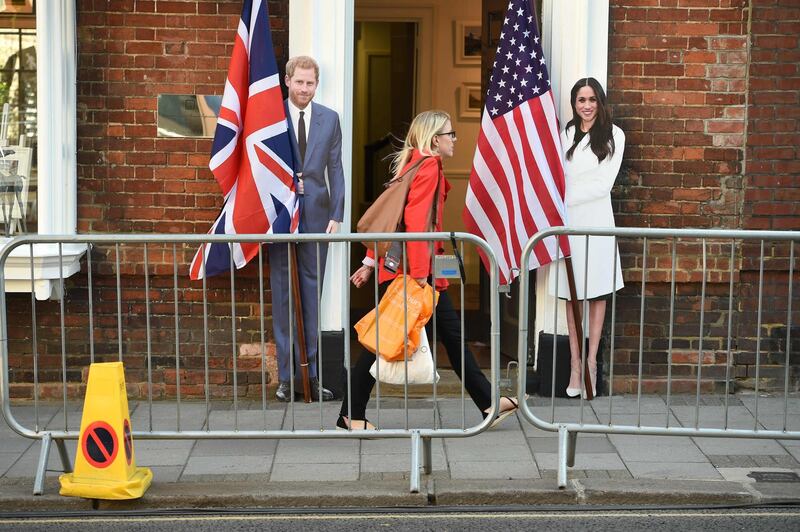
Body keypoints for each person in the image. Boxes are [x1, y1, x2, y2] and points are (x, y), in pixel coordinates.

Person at [341, 110, 518, 430]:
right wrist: (422, 277)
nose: (454, 139)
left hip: (414, 272)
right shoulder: (429, 166)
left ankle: (489, 402)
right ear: (436, 139)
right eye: (451, 134)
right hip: (416, 275)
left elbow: (392, 218)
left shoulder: (412, 164)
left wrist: (371, 263)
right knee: (381, 341)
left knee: (446, 337)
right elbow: (416, 225)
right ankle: (351, 415)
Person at [269, 56, 345, 402]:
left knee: (312, 296)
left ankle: (310, 377)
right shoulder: (270, 116)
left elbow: (336, 168)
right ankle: (286, 378)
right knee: (283, 294)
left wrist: (337, 212)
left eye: (310, 83)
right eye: (298, 82)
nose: (304, 89)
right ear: (287, 81)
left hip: (317, 214)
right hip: (282, 215)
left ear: (317, 84)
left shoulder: (330, 119)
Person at [555, 77, 625, 399]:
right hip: (570, 224)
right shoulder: (566, 134)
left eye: (592, 99)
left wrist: (564, 196)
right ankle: (574, 364)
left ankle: (592, 363)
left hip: (598, 221)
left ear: (600, 102)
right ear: (574, 103)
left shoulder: (614, 135)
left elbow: (603, 185)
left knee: (597, 293)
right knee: (573, 294)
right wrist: (561, 199)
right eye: (581, 99)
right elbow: (557, 177)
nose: (586, 105)